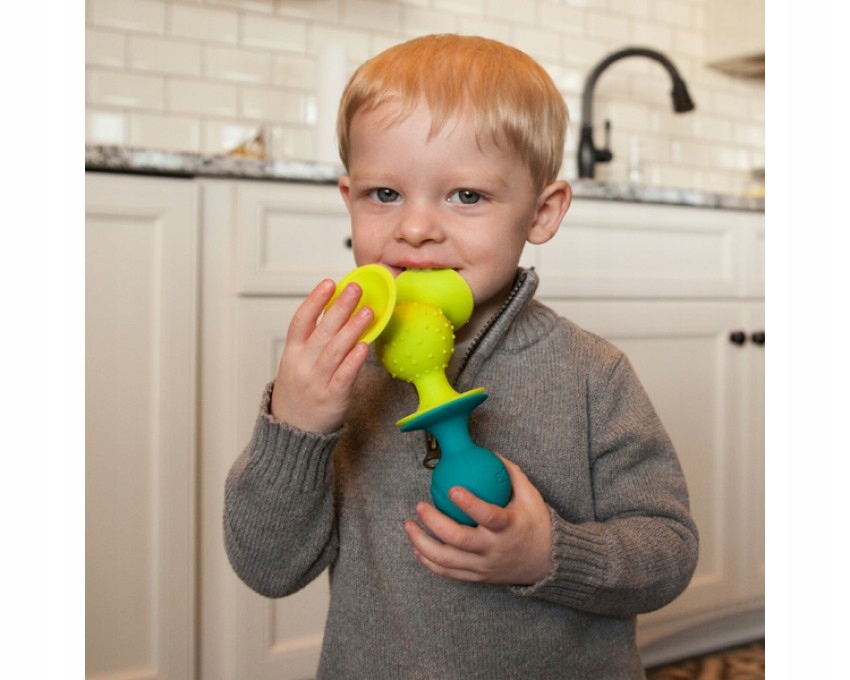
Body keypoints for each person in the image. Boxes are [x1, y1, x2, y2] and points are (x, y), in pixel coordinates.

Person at [224, 34, 698, 679]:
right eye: (384, 194)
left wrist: (551, 554)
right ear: (348, 199)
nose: (415, 228)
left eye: (466, 196)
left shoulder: (594, 374)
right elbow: (267, 568)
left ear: (542, 212)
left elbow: (668, 552)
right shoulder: (339, 375)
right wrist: (295, 426)